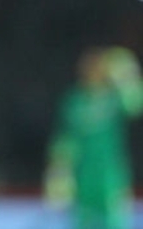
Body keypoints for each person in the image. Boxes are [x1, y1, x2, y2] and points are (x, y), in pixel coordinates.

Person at [43, 45, 143, 229]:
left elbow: (135, 105)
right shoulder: (74, 100)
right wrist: (59, 174)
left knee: (115, 223)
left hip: (111, 176)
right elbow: (64, 139)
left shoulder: (113, 98)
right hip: (82, 176)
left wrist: (125, 74)